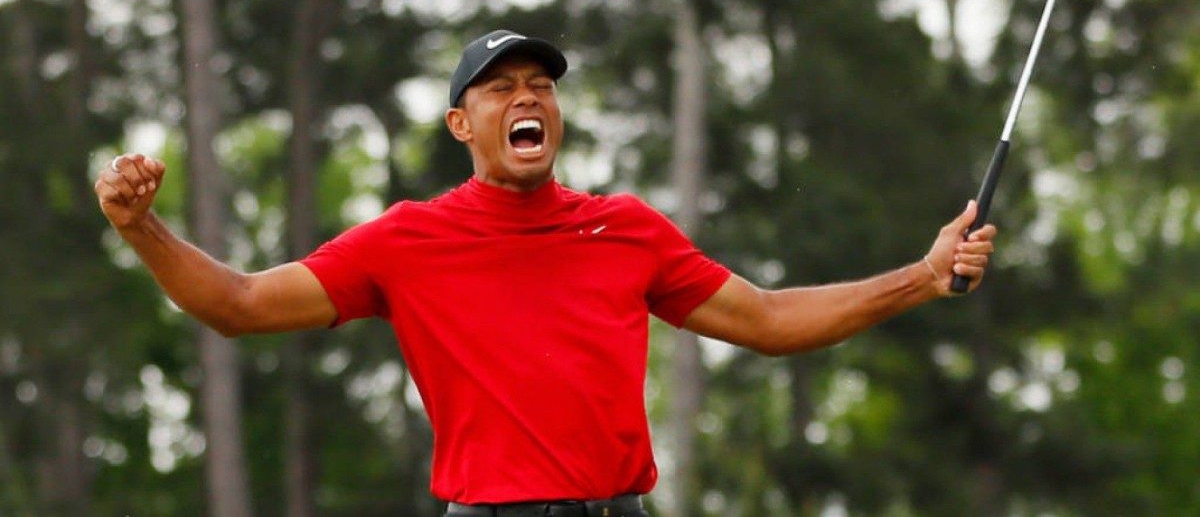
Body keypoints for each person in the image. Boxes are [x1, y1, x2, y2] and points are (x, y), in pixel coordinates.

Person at [95, 29, 997, 517]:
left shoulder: (624, 228)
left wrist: (919, 278)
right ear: (462, 124)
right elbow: (239, 304)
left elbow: (765, 322)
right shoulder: (407, 242)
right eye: (500, 87)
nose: (527, 97)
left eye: (542, 84)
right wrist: (144, 229)